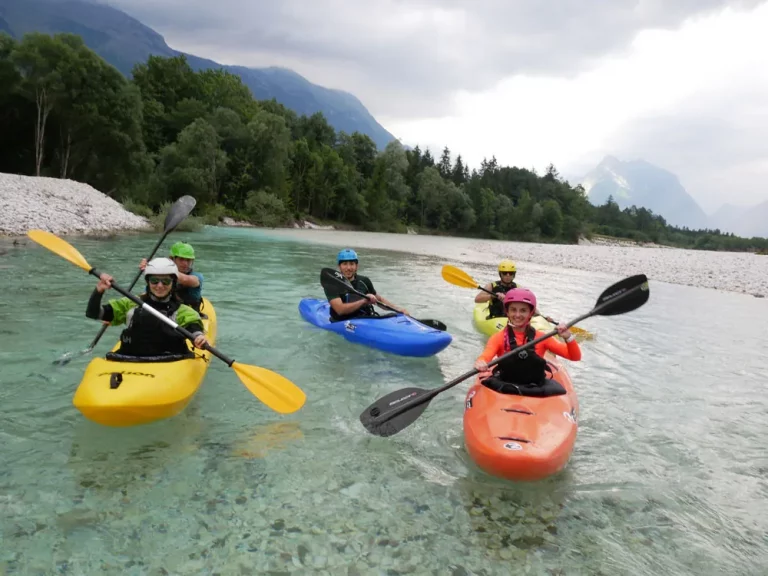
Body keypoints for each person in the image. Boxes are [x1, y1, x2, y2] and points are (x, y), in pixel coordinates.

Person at [86, 257, 208, 358]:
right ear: (148, 282)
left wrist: (199, 338)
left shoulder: (184, 312)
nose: (159, 286)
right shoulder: (129, 304)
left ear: (173, 283)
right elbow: (93, 313)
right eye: (154, 280)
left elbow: (194, 330)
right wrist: (99, 291)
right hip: (127, 360)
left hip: (170, 361)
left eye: (165, 281)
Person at [474, 288, 581, 392]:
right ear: (507, 312)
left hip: (535, 388)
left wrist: (568, 337)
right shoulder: (498, 338)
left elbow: (574, 357)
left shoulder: (542, 338)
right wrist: (480, 362)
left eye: (523, 310)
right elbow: (486, 356)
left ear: (531, 313)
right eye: (513, 310)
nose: (517, 315)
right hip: (505, 385)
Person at [323, 248, 410, 322]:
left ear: (356, 266)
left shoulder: (364, 281)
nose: (348, 268)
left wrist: (398, 309)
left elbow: (379, 300)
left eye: (352, 264)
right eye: (345, 264)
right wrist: (363, 301)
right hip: (341, 321)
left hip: (366, 319)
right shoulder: (332, 284)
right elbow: (340, 310)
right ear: (339, 266)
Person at [140, 241, 203, 312]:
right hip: (164, 312)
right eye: (181, 259)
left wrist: (154, 268)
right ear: (171, 259)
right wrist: (150, 268)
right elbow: (146, 294)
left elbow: (185, 280)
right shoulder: (156, 280)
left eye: (188, 260)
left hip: (188, 316)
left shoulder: (197, 277)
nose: (185, 263)